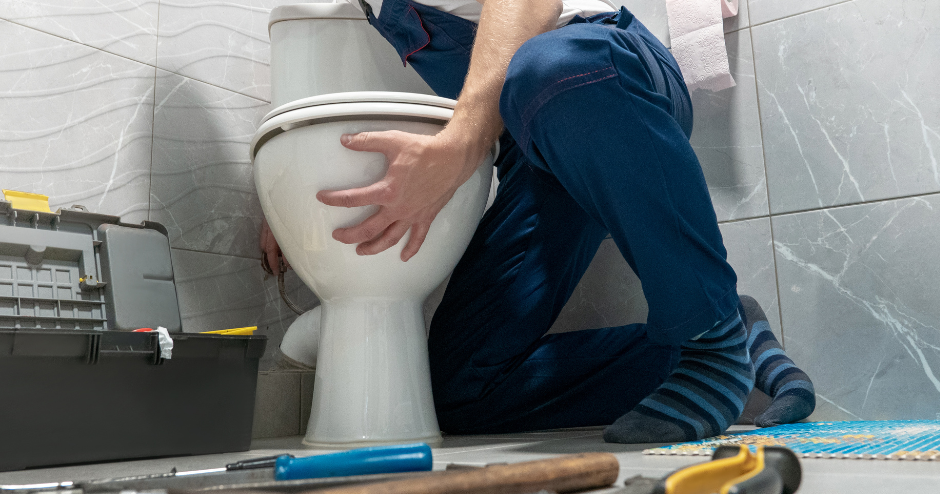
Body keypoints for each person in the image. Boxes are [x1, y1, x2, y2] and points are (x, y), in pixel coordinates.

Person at [260, 0, 816, 443]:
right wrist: (283, 189)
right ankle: (734, 341)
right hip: (531, 150)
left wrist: (458, 146)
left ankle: (708, 338)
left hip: (603, 77)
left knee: (549, 67)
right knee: (459, 391)